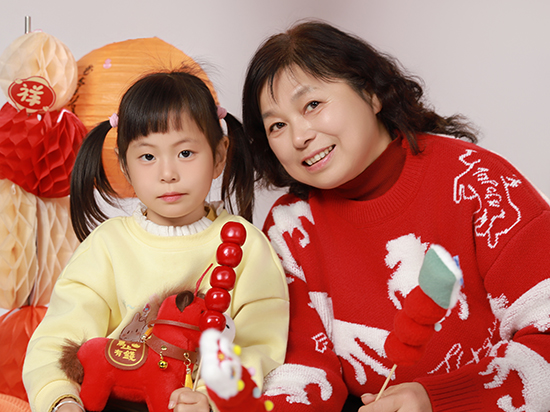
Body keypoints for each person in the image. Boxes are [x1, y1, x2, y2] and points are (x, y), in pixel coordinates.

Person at [241, 20, 550, 412]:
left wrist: (437, 400)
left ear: (371, 93)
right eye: (277, 125)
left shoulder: (478, 183)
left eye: (312, 105)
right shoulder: (291, 227)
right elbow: (303, 370)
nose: (299, 136)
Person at [22, 69, 289, 412]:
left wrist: (210, 397)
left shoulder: (246, 246)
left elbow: (259, 344)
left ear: (220, 154)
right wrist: (60, 398)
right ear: (124, 165)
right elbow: (60, 335)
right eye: (148, 156)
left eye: (186, 153)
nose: (168, 174)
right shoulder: (108, 245)